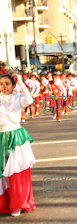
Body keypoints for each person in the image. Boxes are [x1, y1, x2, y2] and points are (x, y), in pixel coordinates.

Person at [0, 73, 36, 216]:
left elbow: (29, 99)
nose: (4, 87)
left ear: (13, 85)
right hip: (1, 136)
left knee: (16, 170)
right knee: (3, 172)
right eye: (1, 84)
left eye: (7, 83)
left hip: (15, 136)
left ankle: (18, 203)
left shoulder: (18, 98)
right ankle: (6, 202)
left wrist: (20, 81)